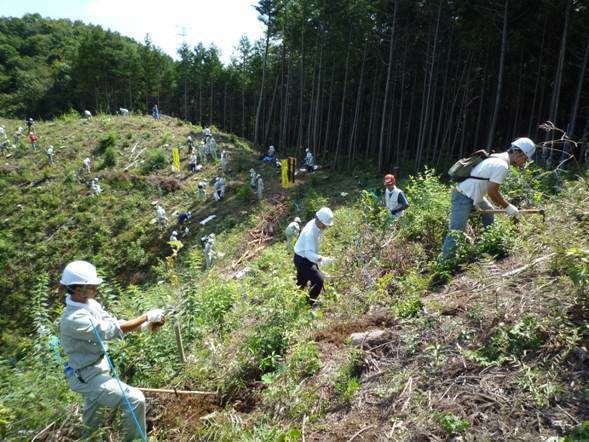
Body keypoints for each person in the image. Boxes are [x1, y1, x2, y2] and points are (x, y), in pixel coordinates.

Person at [59, 260, 165, 441]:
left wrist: (145, 324)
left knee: (91, 426)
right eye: (91, 286)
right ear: (77, 289)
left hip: (98, 369)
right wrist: (145, 316)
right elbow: (110, 331)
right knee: (135, 400)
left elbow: (114, 322)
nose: (95, 288)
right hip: (88, 377)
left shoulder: (90, 304)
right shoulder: (73, 319)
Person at [441, 137, 536, 257]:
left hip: (473, 194)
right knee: (456, 231)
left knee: (489, 212)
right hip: (463, 196)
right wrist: (508, 207)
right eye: (525, 159)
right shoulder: (502, 165)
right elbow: (492, 192)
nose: (524, 162)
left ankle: (489, 245)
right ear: (518, 152)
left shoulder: (497, 157)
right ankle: (443, 264)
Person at [293, 207, 335, 306]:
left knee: (301, 282)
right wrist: (322, 259)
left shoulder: (315, 223)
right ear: (319, 220)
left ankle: (297, 302)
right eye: (324, 225)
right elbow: (309, 254)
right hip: (303, 260)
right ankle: (309, 305)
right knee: (318, 280)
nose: (325, 227)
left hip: (301, 257)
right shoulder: (310, 233)